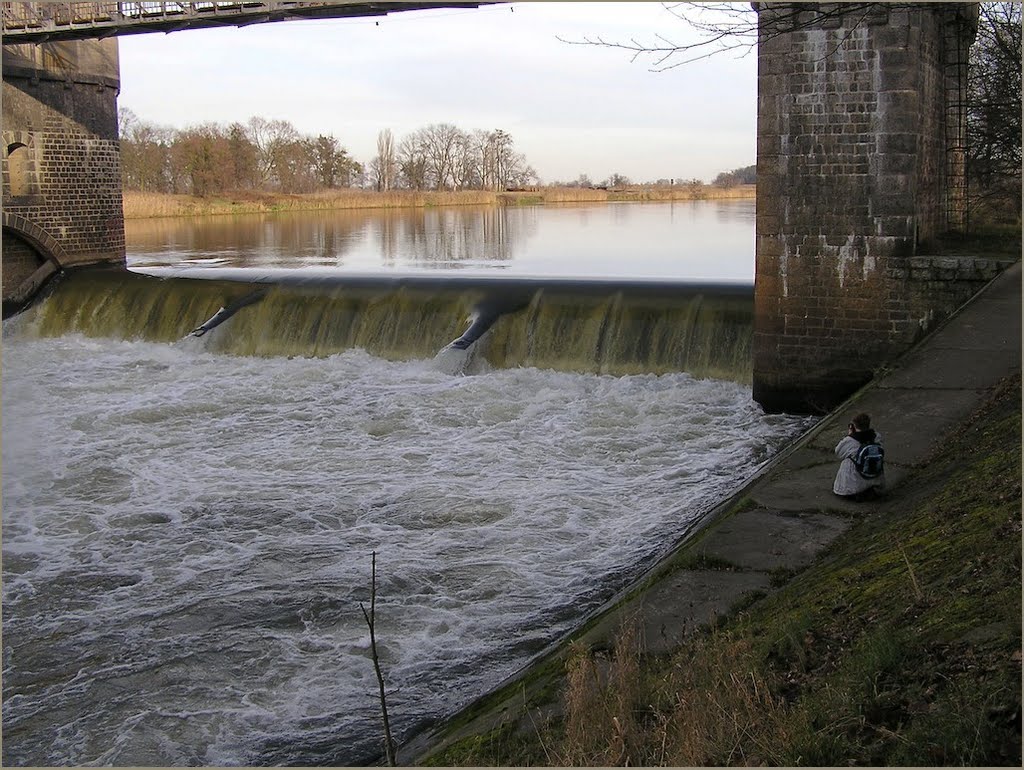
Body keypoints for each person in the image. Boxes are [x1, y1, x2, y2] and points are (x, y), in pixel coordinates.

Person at [833, 412, 885, 499]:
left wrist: (850, 435)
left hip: (853, 485)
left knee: (847, 459)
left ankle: (854, 490)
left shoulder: (850, 441)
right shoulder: (877, 437)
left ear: (854, 425)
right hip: (874, 476)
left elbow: (838, 452)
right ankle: (871, 486)